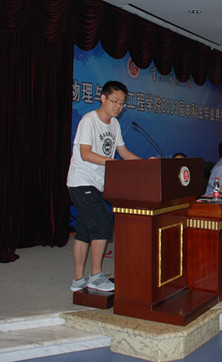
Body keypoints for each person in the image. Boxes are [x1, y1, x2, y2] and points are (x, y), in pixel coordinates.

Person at [67, 81, 141, 292]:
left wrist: (146, 164)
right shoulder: (89, 120)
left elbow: (123, 152)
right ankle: (96, 277)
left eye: (122, 103)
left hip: (97, 183)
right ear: (103, 98)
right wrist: (114, 163)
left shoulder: (114, 124)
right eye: (114, 101)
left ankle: (78, 280)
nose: (118, 106)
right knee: (102, 223)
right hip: (82, 181)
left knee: (84, 231)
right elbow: (85, 153)